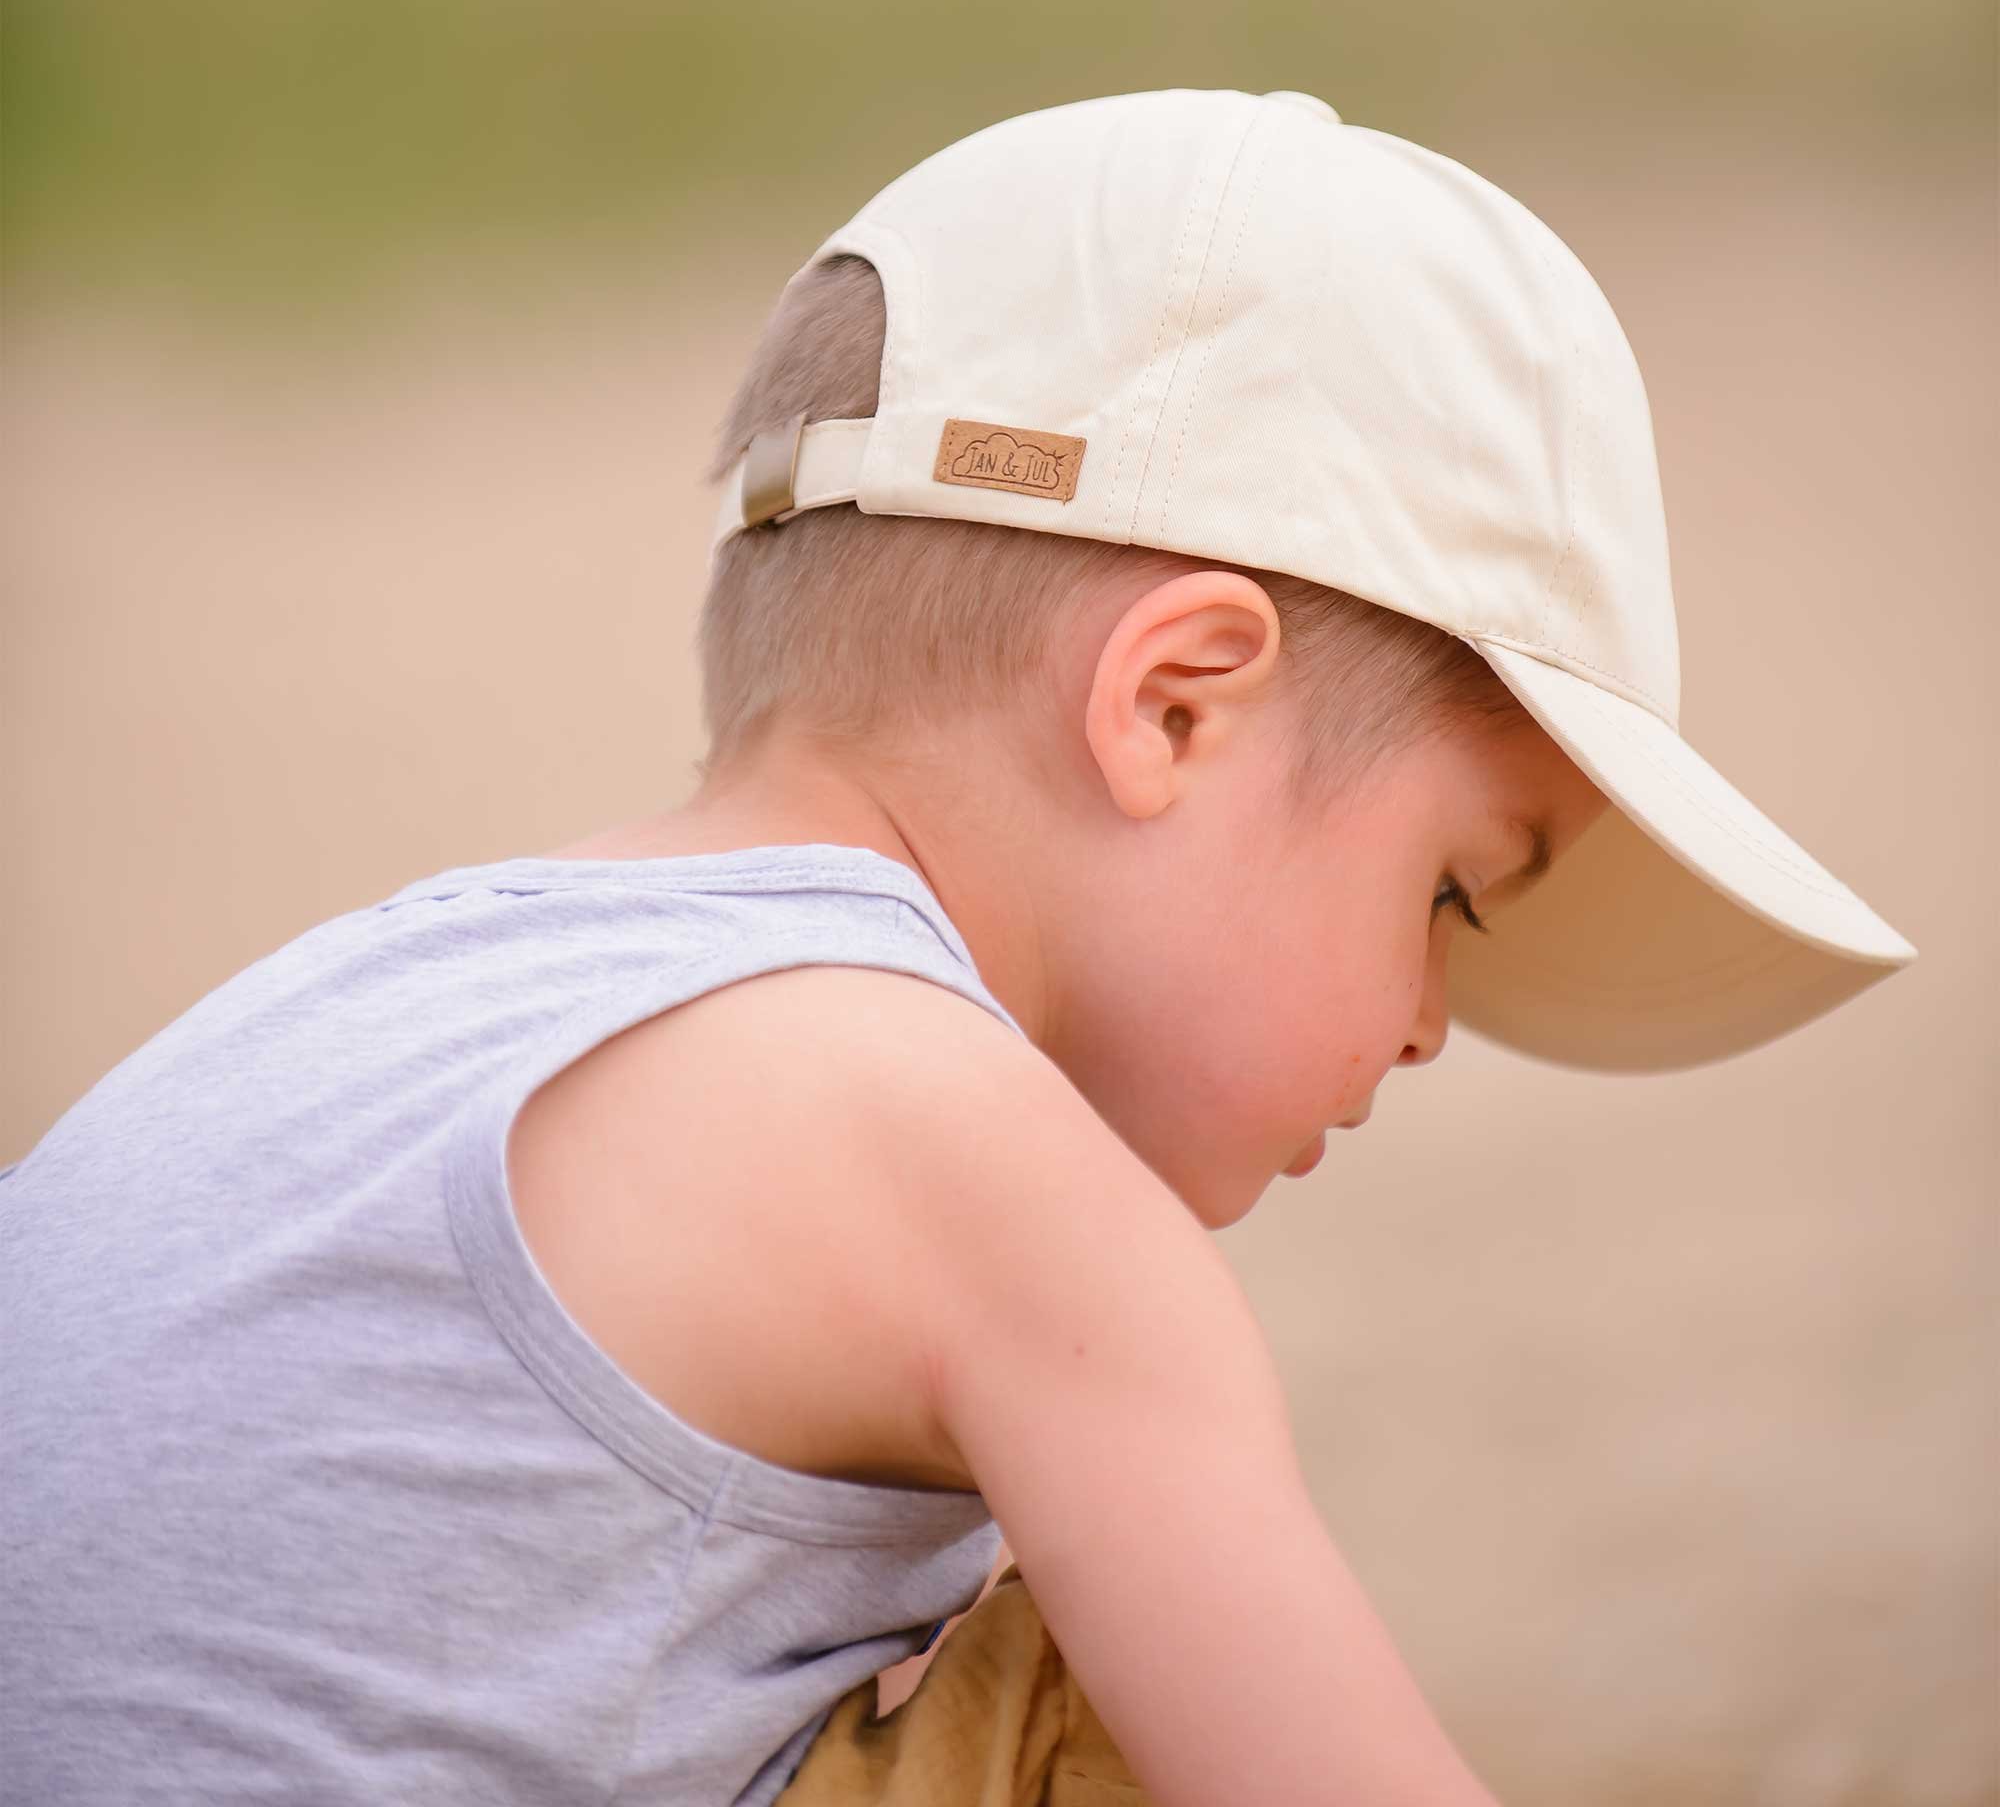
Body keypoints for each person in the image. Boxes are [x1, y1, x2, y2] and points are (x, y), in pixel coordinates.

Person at [0, 88, 1916, 1807]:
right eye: (1452, 892)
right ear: (1174, 706)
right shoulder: (1001, 1190)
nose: (1433, 1026)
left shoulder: (374, 998)